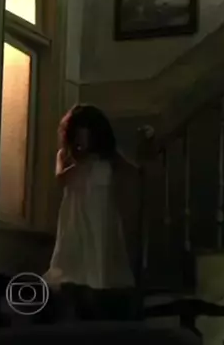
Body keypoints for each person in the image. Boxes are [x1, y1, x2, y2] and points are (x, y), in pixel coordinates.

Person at [42, 104, 140, 321]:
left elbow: (133, 171)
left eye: (86, 135)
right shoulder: (65, 156)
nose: (82, 141)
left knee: (104, 263)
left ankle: (103, 309)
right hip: (74, 218)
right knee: (72, 267)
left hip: (101, 217)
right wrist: (82, 162)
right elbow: (60, 179)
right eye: (78, 136)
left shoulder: (108, 158)